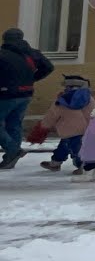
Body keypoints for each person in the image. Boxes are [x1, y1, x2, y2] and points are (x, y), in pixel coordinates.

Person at [0, 28, 54, 168]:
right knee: (14, 124)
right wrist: (32, 79)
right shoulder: (31, 53)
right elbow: (48, 67)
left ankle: (13, 150)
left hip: (6, 95)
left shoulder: (3, 54)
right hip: (26, 94)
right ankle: (10, 158)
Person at [39, 76, 93, 174]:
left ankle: (83, 166)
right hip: (87, 129)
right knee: (65, 147)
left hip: (69, 130)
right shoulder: (88, 98)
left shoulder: (63, 100)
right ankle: (55, 162)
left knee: (76, 150)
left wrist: (45, 125)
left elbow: (52, 114)